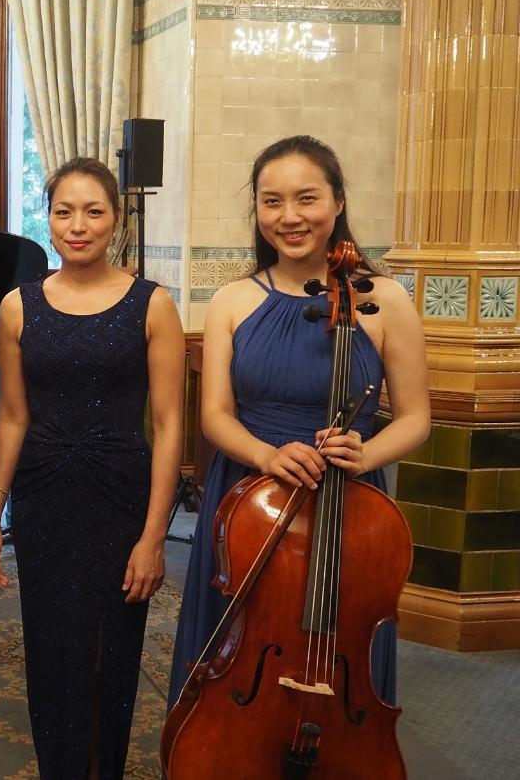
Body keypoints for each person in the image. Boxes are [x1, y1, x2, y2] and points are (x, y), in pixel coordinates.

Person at [167, 135, 430, 708]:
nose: (289, 217)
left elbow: (416, 420)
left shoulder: (384, 300)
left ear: (338, 202)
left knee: (342, 644)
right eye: (271, 201)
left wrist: (368, 453)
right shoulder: (233, 300)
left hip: (348, 498)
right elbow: (213, 415)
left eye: (306, 198)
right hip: (246, 496)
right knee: (237, 647)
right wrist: (265, 455)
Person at [0, 157, 185, 778]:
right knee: (51, 652)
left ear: (116, 221)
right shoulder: (19, 306)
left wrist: (154, 538)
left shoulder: (153, 305)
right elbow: (12, 417)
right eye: (64, 211)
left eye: (93, 211)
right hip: (43, 497)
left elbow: (171, 425)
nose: (77, 225)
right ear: (48, 219)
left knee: (109, 655)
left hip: (122, 495)